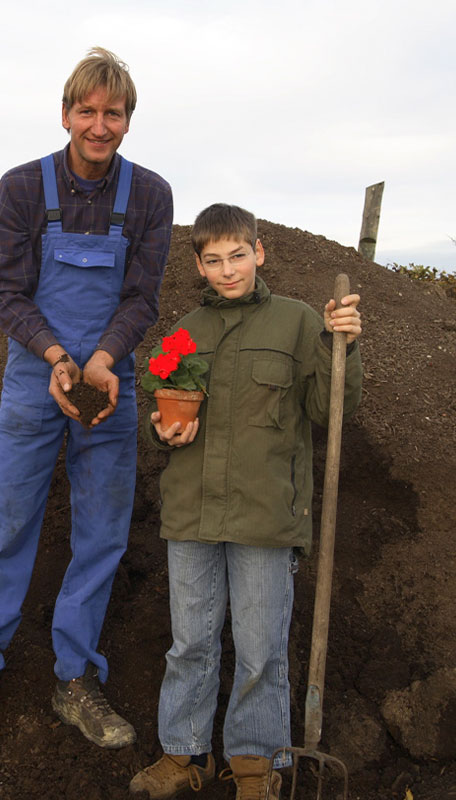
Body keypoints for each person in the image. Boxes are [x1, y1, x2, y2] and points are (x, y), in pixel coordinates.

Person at [0, 47, 173, 768]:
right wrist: (58, 359)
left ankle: (76, 678)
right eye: (87, 111)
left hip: (108, 386)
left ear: (128, 119)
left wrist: (100, 360)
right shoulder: (23, 188)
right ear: (66, 113)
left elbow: (142, 298)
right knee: (5, 530)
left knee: (101, 535)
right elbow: (4, 290)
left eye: (114, 113)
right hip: (36, 380)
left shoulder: (150, 196)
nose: (100, 126)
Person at [129, 203, 363, 800]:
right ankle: (183, 757)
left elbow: (328, 411)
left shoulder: (298, 321)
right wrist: (161, 427)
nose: (228, 269)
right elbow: (159, 405)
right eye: (214, 260)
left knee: (261, 649)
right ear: (199, 265)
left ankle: (256, 765)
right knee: (191, 643)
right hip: (191, 513)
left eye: (238, 256)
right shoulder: (185, 332)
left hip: (265, 516)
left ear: (259, 253)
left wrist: (345, 349)